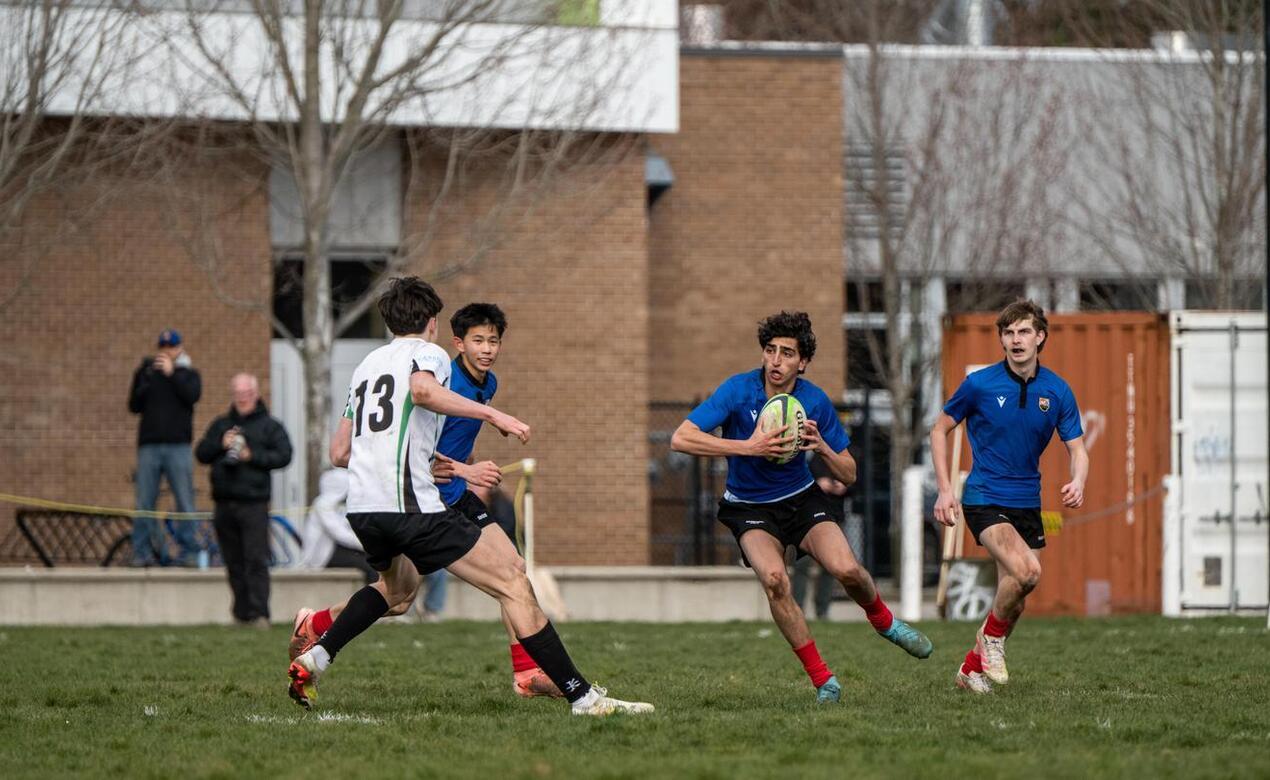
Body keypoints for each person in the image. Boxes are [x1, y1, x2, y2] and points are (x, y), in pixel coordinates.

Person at [286, 277, 651, 716]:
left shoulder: (366, 367)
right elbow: (423, 392)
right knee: (513, 583)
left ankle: (317, 654)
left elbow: (339, 453)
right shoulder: (430, 356)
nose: (486, 348)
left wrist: (421, 462)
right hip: (414, 506)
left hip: (365, 509)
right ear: (434, 323)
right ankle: (582, 697)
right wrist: (495, 418)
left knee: (399, 590)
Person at [291, 302, 559, 697]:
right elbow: (415, 447)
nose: (486, 349)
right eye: (478, 340)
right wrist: (467, 469)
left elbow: (445, 441)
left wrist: (465, 465)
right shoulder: (441, 380)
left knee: (506, 571)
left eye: (493, 341)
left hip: (452, 494)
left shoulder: (488, 384)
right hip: (427, 499)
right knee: (406, 595)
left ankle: (526, 673)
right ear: (457, 343)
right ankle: (316, 626)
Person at [671, 311, 932, 703]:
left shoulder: (814, 401)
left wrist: (823, 447)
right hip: (749, 508)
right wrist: (748, 447)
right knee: (776, 580)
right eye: (770, 350)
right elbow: (681, 438)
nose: (776, 361)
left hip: (801, 498)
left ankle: (884, 621)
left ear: (803, 362)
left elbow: (849, 473)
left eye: (787, 353)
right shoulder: (738, 391)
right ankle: (824, 680)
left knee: (848, 570)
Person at [930, 300, 1088, 694]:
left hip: (1027, 502)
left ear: (1040, 337)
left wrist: (1078, 480)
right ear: (1001, 339)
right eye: (1009, 333)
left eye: (1023, 332)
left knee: (1016, 595)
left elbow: (1078, 449)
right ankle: (990, 639)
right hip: (984, 497)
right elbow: (938, 430)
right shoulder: (980, 385)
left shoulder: (1057, 390)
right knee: (1028, 572)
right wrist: (945, 490)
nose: (1016, 340)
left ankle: (970, 669)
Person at [195, 373, 293, 627]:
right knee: (233, 562)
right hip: (224, 504)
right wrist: (221, 444)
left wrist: (252, 456)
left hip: (254, 504)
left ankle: (260, 614)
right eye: (238, 393)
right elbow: (201, 453)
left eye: (246, 393)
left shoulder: (270, 426)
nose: (242, 398)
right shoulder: (221, 425)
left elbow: (284, 455)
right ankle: (241, 614)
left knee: (256, 560)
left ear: (256, 393)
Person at [128, 328, 202, 567]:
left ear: (180, 348)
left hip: (178, 447)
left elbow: (192, 396)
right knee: (144, 502)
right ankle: (141, 552)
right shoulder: (146, 373)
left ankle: (189, 552)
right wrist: (146, 378)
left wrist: (173, 374)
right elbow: (134, 405)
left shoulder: (189, 374)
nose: (167, 351)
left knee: (184, 500)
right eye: (163, 346)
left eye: (171, 346)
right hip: (149, 447)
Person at [791, 456, 846, 620]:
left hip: (832, 515)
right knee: (801, 564)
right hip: (804, 516)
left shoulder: (841, 452)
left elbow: (855, 479)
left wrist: (844, 485)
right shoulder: (802, 452)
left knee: (831, 566)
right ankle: (797, 610)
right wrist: (816, 484)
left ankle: (822, 610)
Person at [298, 468, 376, 582]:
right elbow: (339, 533)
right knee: (368, 565)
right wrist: (365, 545)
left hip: (334, 549)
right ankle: (375, 593)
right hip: (323, 555)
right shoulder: (322, 505)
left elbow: (350, 527)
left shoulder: (337, 505)